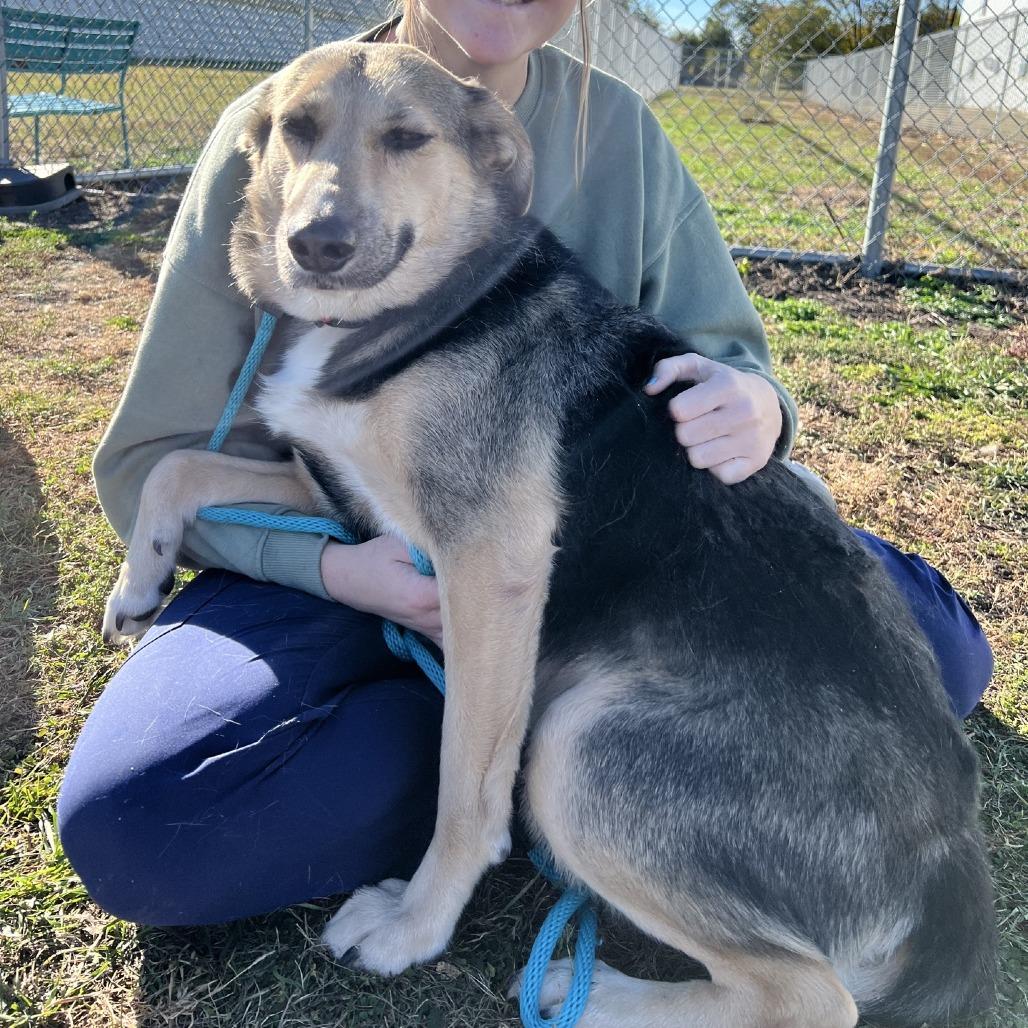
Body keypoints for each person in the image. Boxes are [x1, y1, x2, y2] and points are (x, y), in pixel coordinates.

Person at [57, 0, 992, 928]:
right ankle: (545, 771)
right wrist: (338, 573)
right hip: (349, 559)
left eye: (404, 141)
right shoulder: (275, 125)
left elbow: (727, 356)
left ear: (494, 160)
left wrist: (757, 403)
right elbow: (152, 459)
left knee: (940, 655)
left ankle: (530, 756)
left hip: (618, 564)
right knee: (143, 827)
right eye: (304, 139)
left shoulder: (616, 124)